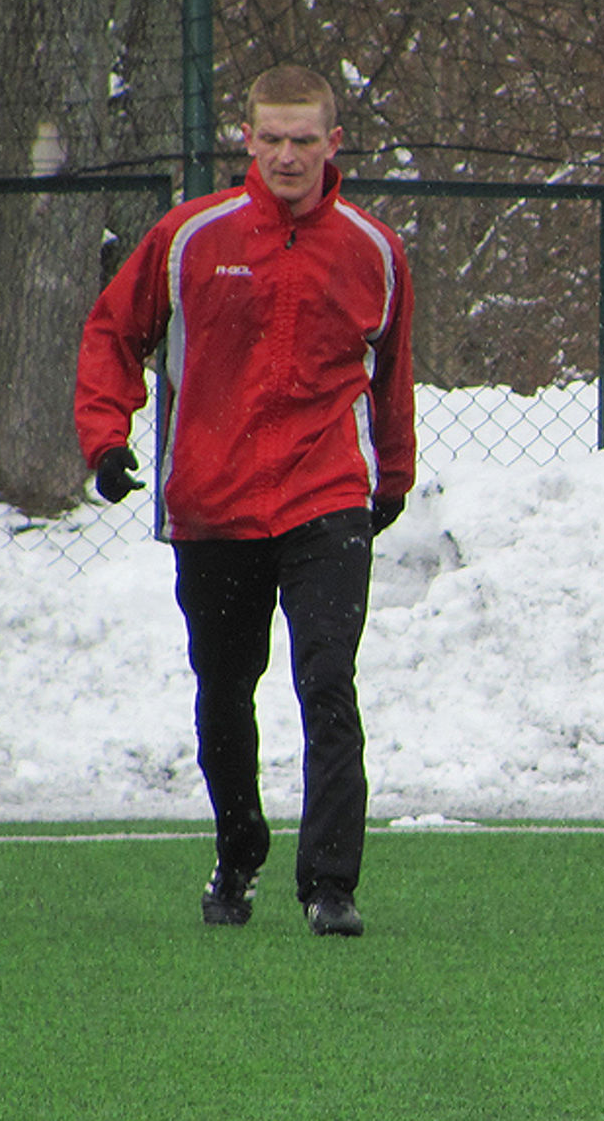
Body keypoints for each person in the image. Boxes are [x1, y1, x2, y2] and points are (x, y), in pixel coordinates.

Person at [75, 65, 414, 937]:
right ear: (247, 139)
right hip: (213, 505)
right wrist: (106, 439)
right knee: (226, 689)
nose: (288, 156)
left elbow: (391, 374)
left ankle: (330, 884)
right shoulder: (190, 238)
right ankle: (239, 850)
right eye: (272, 139)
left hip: (326, 495)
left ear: (334, 143)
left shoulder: (374, 250)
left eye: (305, 140)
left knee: (327, 681)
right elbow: (115, 331)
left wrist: (394, 476)